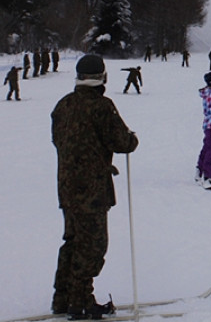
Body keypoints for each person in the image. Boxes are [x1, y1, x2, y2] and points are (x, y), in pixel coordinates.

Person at [51, 54, 138, 319]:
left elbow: (58, 140)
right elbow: (122, 142)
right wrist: (131, 138)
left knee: (73, 240)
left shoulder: (63, 105)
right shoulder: (102, 106)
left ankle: (63, 297)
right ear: (102, 77)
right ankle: (80, 301)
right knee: (92, 245)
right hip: (92, 189)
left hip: (67, 186)